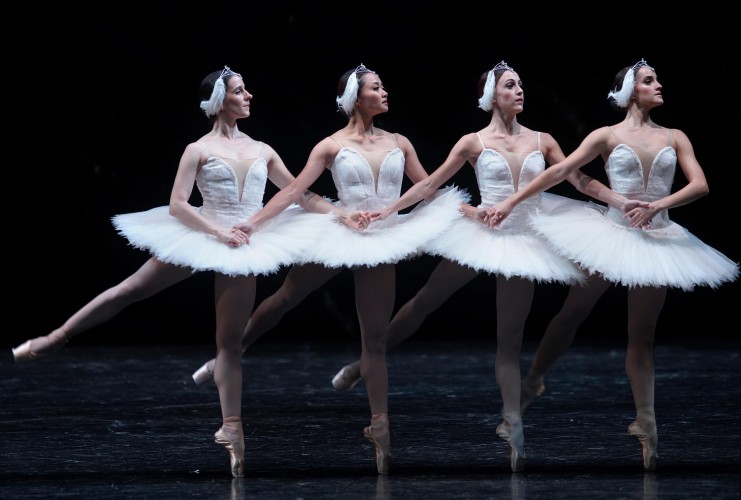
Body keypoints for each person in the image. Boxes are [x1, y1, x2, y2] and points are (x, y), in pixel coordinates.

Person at [10, 66, 358, 478]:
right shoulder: (198, 149)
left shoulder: (263, 149)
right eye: (239, 91)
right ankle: (57, 337)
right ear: (219, 101)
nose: (248, 96)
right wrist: (217, 231)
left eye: (247, 90)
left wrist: (341, 213)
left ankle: (232, 429)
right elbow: (177, 204)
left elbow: (299, 193)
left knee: (228, 341)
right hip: (203, 231)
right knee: (130, 289)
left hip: (246, 242)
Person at [344, 61, 637, 472]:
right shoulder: (472, 142)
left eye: (521, 85)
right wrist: (390, 210)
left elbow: (579, 179)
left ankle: (512, 423)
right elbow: (430, 186)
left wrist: (620, 202)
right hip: (480, 233)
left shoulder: (543, 140)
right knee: (427, 300)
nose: (520, 91)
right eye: (511, 85)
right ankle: (364, 363)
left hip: (525, 239)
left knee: (510, 338)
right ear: (492, 96)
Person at [199, 63, 467, 475]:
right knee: (287, 296)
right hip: (338, 230)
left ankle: (381, 427)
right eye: (377, 87)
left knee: (373, 339)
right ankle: (231, 352)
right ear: (356, 98)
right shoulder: (330, 146)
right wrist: (253, 223)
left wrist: (467, 212)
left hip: (380, 238)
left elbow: (428, 186)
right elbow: (293, 190)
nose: (385, 92)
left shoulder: (400, 141)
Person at [484, 58, 739, 472]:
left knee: (643, 333)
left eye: (656, 78)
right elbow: (565, 170)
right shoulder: (606, 134)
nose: (658, 85)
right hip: (612, 235)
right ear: (630, 91)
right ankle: (533, 380)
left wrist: (658, 204)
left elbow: (700, 185)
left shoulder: (676, 136)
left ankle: (646, 422)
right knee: (573, 312)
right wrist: (511, 200)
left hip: (656, 238)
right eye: (649, 80)